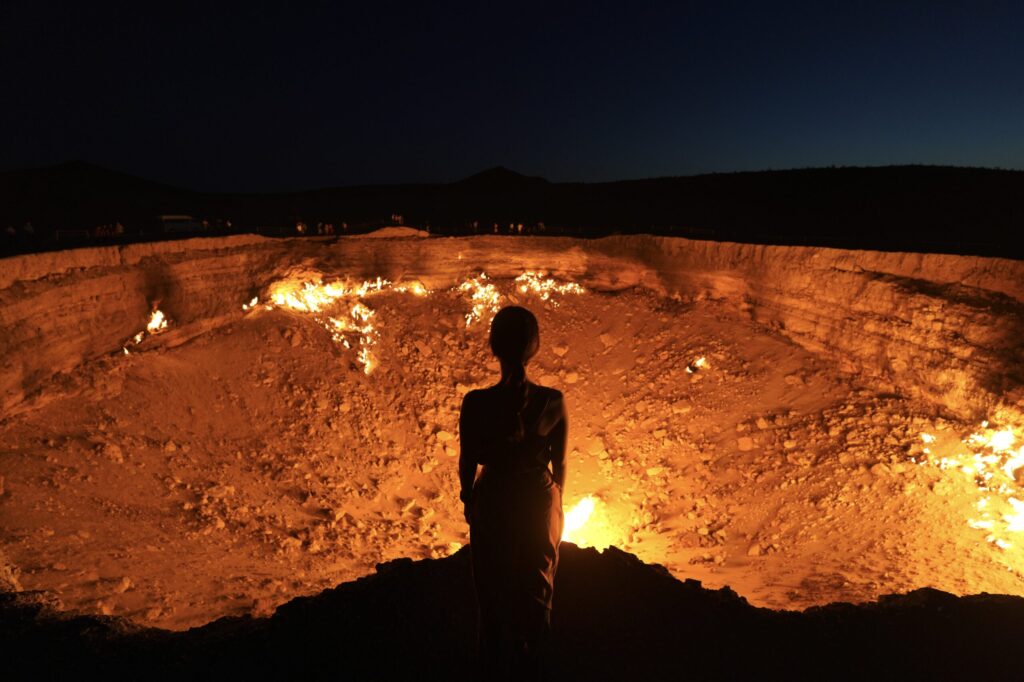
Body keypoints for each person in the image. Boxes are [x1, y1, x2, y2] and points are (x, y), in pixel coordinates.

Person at [459, 306, 567, 680]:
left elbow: (467, 462)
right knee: (538, 590)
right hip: (538, 497)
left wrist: (469, 500)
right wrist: (553, 503)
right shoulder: (553, 402)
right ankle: (534, 666)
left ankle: (493, 669)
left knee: (492, 594)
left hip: (494, 497)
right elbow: (561, 466)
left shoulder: (475, 403)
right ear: (534, 347)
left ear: (494, 347)